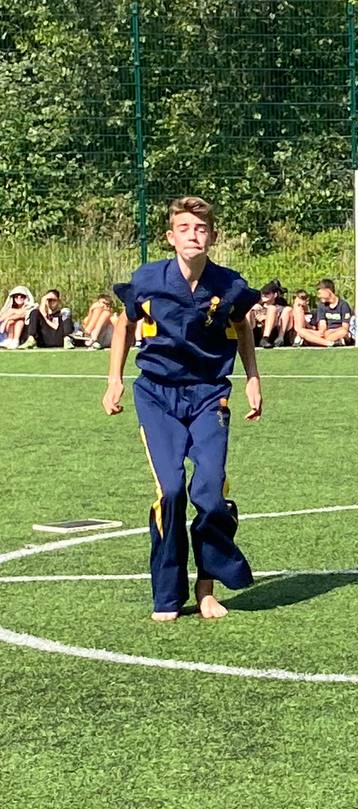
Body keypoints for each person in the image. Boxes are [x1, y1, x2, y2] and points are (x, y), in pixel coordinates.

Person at [101, 195, 261, 621]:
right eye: (185, 229)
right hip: (157, 396)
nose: (194, 236)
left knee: (210, 490)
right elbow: (125, 323)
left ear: (213, 236)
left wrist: (253, 379)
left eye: (201, 229)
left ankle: (207, 589)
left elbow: (243, 326)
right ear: (171, 237)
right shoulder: (149, 279)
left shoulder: (228, 285)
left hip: (209, 395)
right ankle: (168, 594)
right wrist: (114, 379)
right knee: (171, 491)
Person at [296, 279, 352, 346]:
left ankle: (318, 342)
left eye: (319, 293)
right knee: (301, 331)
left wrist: (331, 331)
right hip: (325, 334)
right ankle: (329, 343)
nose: (318, 296)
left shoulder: (343, 305)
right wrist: (322, 332)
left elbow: (345, 327)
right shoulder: (321, 305)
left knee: (344, 332)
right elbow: (322, 324)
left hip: (336, 332)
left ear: (327, 291)